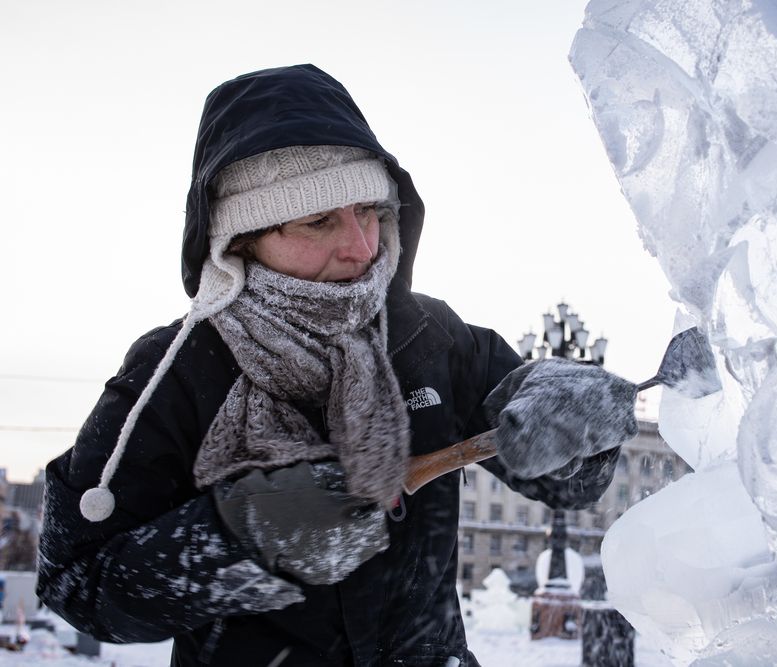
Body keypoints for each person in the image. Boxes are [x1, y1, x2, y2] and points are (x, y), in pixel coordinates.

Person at [36, 64, 638, 666]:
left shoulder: (430, 337)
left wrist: (573, 417)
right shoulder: (177, 371)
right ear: (240, 238)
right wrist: (248, 538)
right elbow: (76, 581)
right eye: (319, 220)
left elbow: (567, 483)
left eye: (371, 210)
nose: (362, 245)